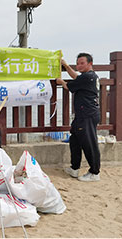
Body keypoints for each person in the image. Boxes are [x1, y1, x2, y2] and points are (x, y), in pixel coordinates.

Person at [56, 53, 101, 182]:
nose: (79, 65)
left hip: (86, 115)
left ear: (90, 63)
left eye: (82, 63)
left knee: (89, 143)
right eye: (78, 63)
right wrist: (65, 65)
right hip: (83, 115)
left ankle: (94, 172)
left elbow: (69, 86)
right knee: (75, 141)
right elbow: (76, 76)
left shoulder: (88, 77)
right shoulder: (89, 77)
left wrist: (61, 81)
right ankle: (74, 168)